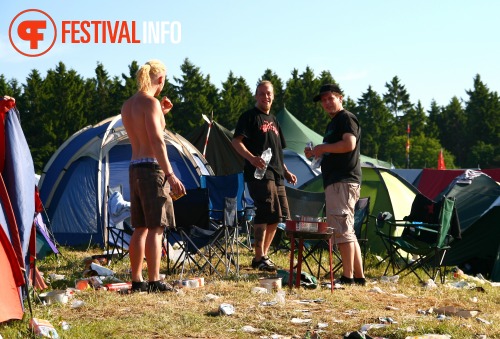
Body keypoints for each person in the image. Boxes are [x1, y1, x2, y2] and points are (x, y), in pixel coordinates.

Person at [121, 60, 186, 292]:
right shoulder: (151, 103)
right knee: (157, 227)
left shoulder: (128, 105)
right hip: (152, 170)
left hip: (134, 168)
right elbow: (157, 141)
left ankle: (137, 280)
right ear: (160, 80)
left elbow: (144, 132)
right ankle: (155, 280)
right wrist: (170, 174)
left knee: (140, 227)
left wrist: (163, 113)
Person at [232, 80, 297, 271]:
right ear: (256, 96)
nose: (265, 97)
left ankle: (263, 256)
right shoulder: (249, 117)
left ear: (273, 96)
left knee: (278, 215)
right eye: (261, 94)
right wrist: (252, 158)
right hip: (259, 173)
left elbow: (277, 150)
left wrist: (285, 171)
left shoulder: (274, 120)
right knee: (265, 209)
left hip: (277, 174)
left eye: (268, 93)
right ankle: (258, 254)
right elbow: (236, 142)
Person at [304, 84, 366, 286]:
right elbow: (335, 149)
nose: (327, 102)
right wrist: (316, 153)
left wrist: (322, 147)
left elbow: (349, 144)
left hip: (343, 180)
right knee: (347, 230)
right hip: (338, 181)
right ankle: (358, 277)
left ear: (341, 98)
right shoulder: (334, 123)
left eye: (330, 98)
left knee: (341, 229)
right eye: (323, 100)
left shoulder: (345, 118)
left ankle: (347, 278)